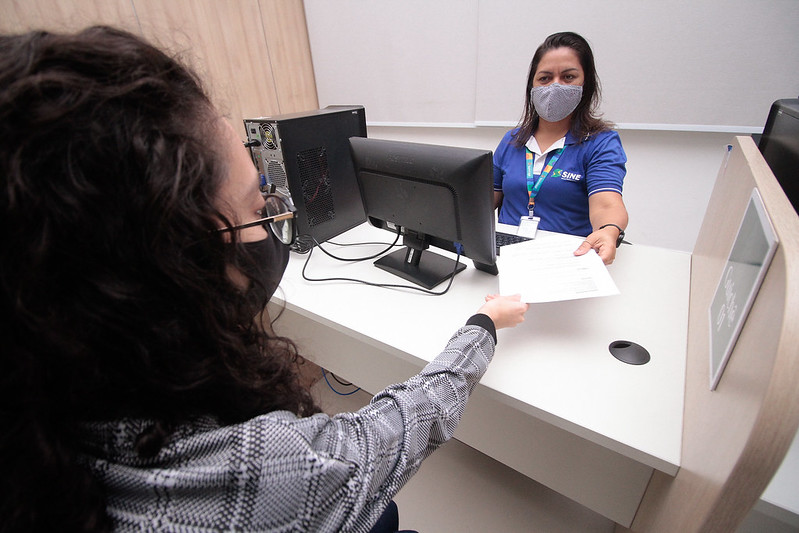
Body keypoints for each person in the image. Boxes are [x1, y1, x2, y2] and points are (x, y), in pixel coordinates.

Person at [0, 26, 529, 533]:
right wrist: (483, 324)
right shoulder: (267, 472)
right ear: (184, 259)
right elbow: (396, 430)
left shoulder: (50, 406)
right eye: (259, 204)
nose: (272, 214)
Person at [493, 31, 629, 264]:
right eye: (545, 78)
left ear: (586, 84)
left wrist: (608, 230)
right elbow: (482, 201)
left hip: (563, 260)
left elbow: (607, 203)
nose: (555, 86)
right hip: (506, 257)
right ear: (532, 86)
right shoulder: (511, 140)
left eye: (568, 77)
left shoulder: (601, 142)